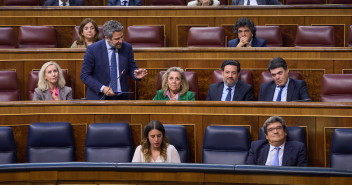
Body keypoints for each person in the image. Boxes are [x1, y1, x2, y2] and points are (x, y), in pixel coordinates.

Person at [80, 20, 148, 100]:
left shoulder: (127, 47)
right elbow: (84, 75)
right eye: (117, 39)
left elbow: (131, 68)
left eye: (122, 37)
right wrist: (102, 88)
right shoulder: (93, 49)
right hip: (99, 98)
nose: (121, 41)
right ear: (107, 38)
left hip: (121, 98)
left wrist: (135, 74)